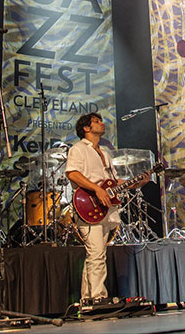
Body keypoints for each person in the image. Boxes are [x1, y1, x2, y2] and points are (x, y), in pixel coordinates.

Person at [64, 112, 130, 305]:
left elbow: (111, 181)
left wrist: (131, 183)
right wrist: (96, 190)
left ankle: (87, 299)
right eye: (96, 121)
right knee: (96, 254)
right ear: (86, 128)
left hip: (105, 209)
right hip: (88, 205)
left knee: (96, 254)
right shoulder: (78, 149)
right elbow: (73, 174)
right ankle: (98, 297)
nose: (102, 123)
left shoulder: (105, 153)